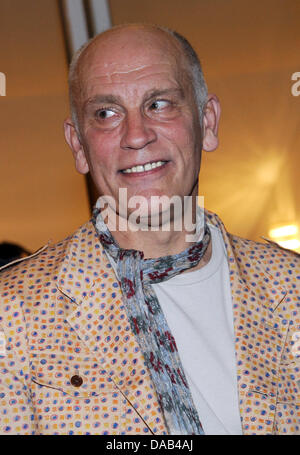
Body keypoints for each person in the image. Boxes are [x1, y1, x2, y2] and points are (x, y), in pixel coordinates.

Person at [0, 24, 299, 436]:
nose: (136, 135)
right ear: (78, 146)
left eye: (159, 104)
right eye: (106, 114)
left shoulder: (291, 287)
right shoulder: (13, 314)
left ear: (207, 122)